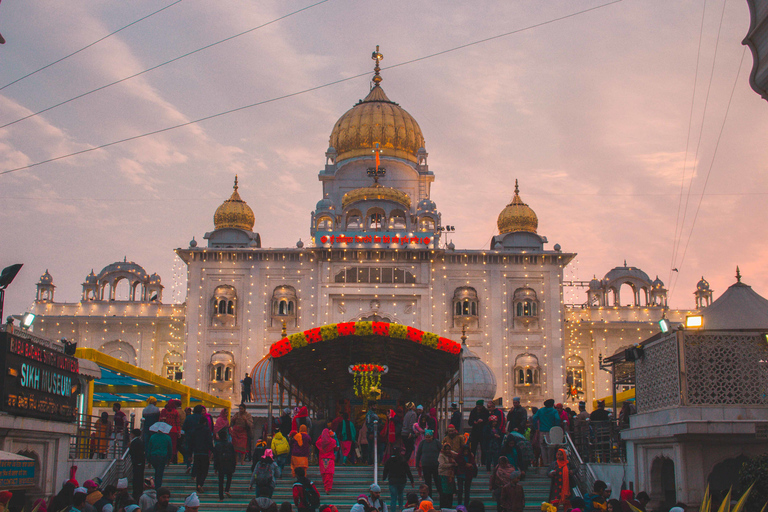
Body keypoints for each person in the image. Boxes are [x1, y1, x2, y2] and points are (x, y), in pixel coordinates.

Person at [532, 400, 561, 466]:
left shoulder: (540, 411)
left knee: (543, 447)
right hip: (551, 431)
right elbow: (557, 419)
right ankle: (550, 463)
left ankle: (545, 463)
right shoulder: (554, 411)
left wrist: (536, 427)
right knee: (551, 448)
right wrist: (556, 427)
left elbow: (534, 418)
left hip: (542, 431)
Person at [415, 430, 440, 497]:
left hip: (435, 465)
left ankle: (440, 493)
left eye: (429, 437)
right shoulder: (422, 443)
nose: (428, 439)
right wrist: (417, 464)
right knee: (427, 482)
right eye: (426, 437)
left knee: (437, 480)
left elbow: (442, 451)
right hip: (426, 465)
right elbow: (418, 454)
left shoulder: (436, 442)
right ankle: (429, 496)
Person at [213, 429, 236, 501]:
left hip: (220, 464)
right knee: (229, 478)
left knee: (221, 481)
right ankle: (227, 489)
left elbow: (215, 457)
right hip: (229, 464)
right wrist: (234, 465)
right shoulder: (230, 445)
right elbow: (233, 456)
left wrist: (215, 467)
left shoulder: (218, 445)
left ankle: (221, 497)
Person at [148, 424, 172, 489]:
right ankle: (158, 486)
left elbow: (149, 448)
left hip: (154, 456)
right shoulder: (167, 437)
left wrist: (148, 460)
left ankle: (156, 484)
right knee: (160, 472)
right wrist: (169, 458)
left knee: (157, 470)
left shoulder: (152, 437)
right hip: (162, 456)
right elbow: (170, 449)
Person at [316, 429, 337, 494]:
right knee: (329, 475)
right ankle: (328, 488)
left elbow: (317, 442)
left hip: (322, 460)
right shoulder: (333, 441)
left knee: (324, 475)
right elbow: (336, 447)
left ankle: (325, 486)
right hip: (330, 460)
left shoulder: (320, 442)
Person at [437, 442, 457, 509]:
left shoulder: (451, 454)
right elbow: (442, 465)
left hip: (450, 476)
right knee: (443, 493)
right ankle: (443, 507)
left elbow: (458, 455)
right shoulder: (441, 455)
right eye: (446, 449)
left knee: (450, 493)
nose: (448, 450)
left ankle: (449, 506)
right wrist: (451, 465)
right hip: (443, 475)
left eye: (449, 449)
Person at [129, 429, 146, 501]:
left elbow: (133, 452)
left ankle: (136, 492)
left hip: (137, 462)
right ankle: (138, 492)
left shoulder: (135, 442)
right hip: (139, 462)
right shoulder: (140, 442)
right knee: (139, 477)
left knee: (137, 478)